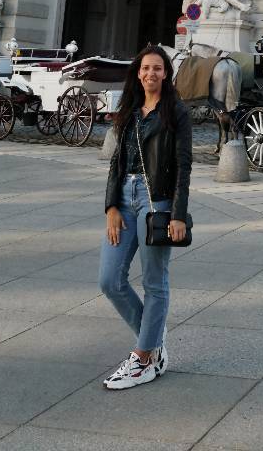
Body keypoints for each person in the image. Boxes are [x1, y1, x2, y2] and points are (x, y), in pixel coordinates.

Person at [99, 44, 192, 389]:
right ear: (137, 73)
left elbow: (184, 166)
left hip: (158, 202)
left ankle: (143, 359)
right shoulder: (128, 110)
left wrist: (177, 214)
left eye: (157, 68)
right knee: (110, 280)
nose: (150, 73)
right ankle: (153, 336)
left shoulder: (176, 112)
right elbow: (115, 162)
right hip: (124, 198)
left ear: (166, 73)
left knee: (155, 282)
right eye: (145, 68)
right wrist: (110, 207)